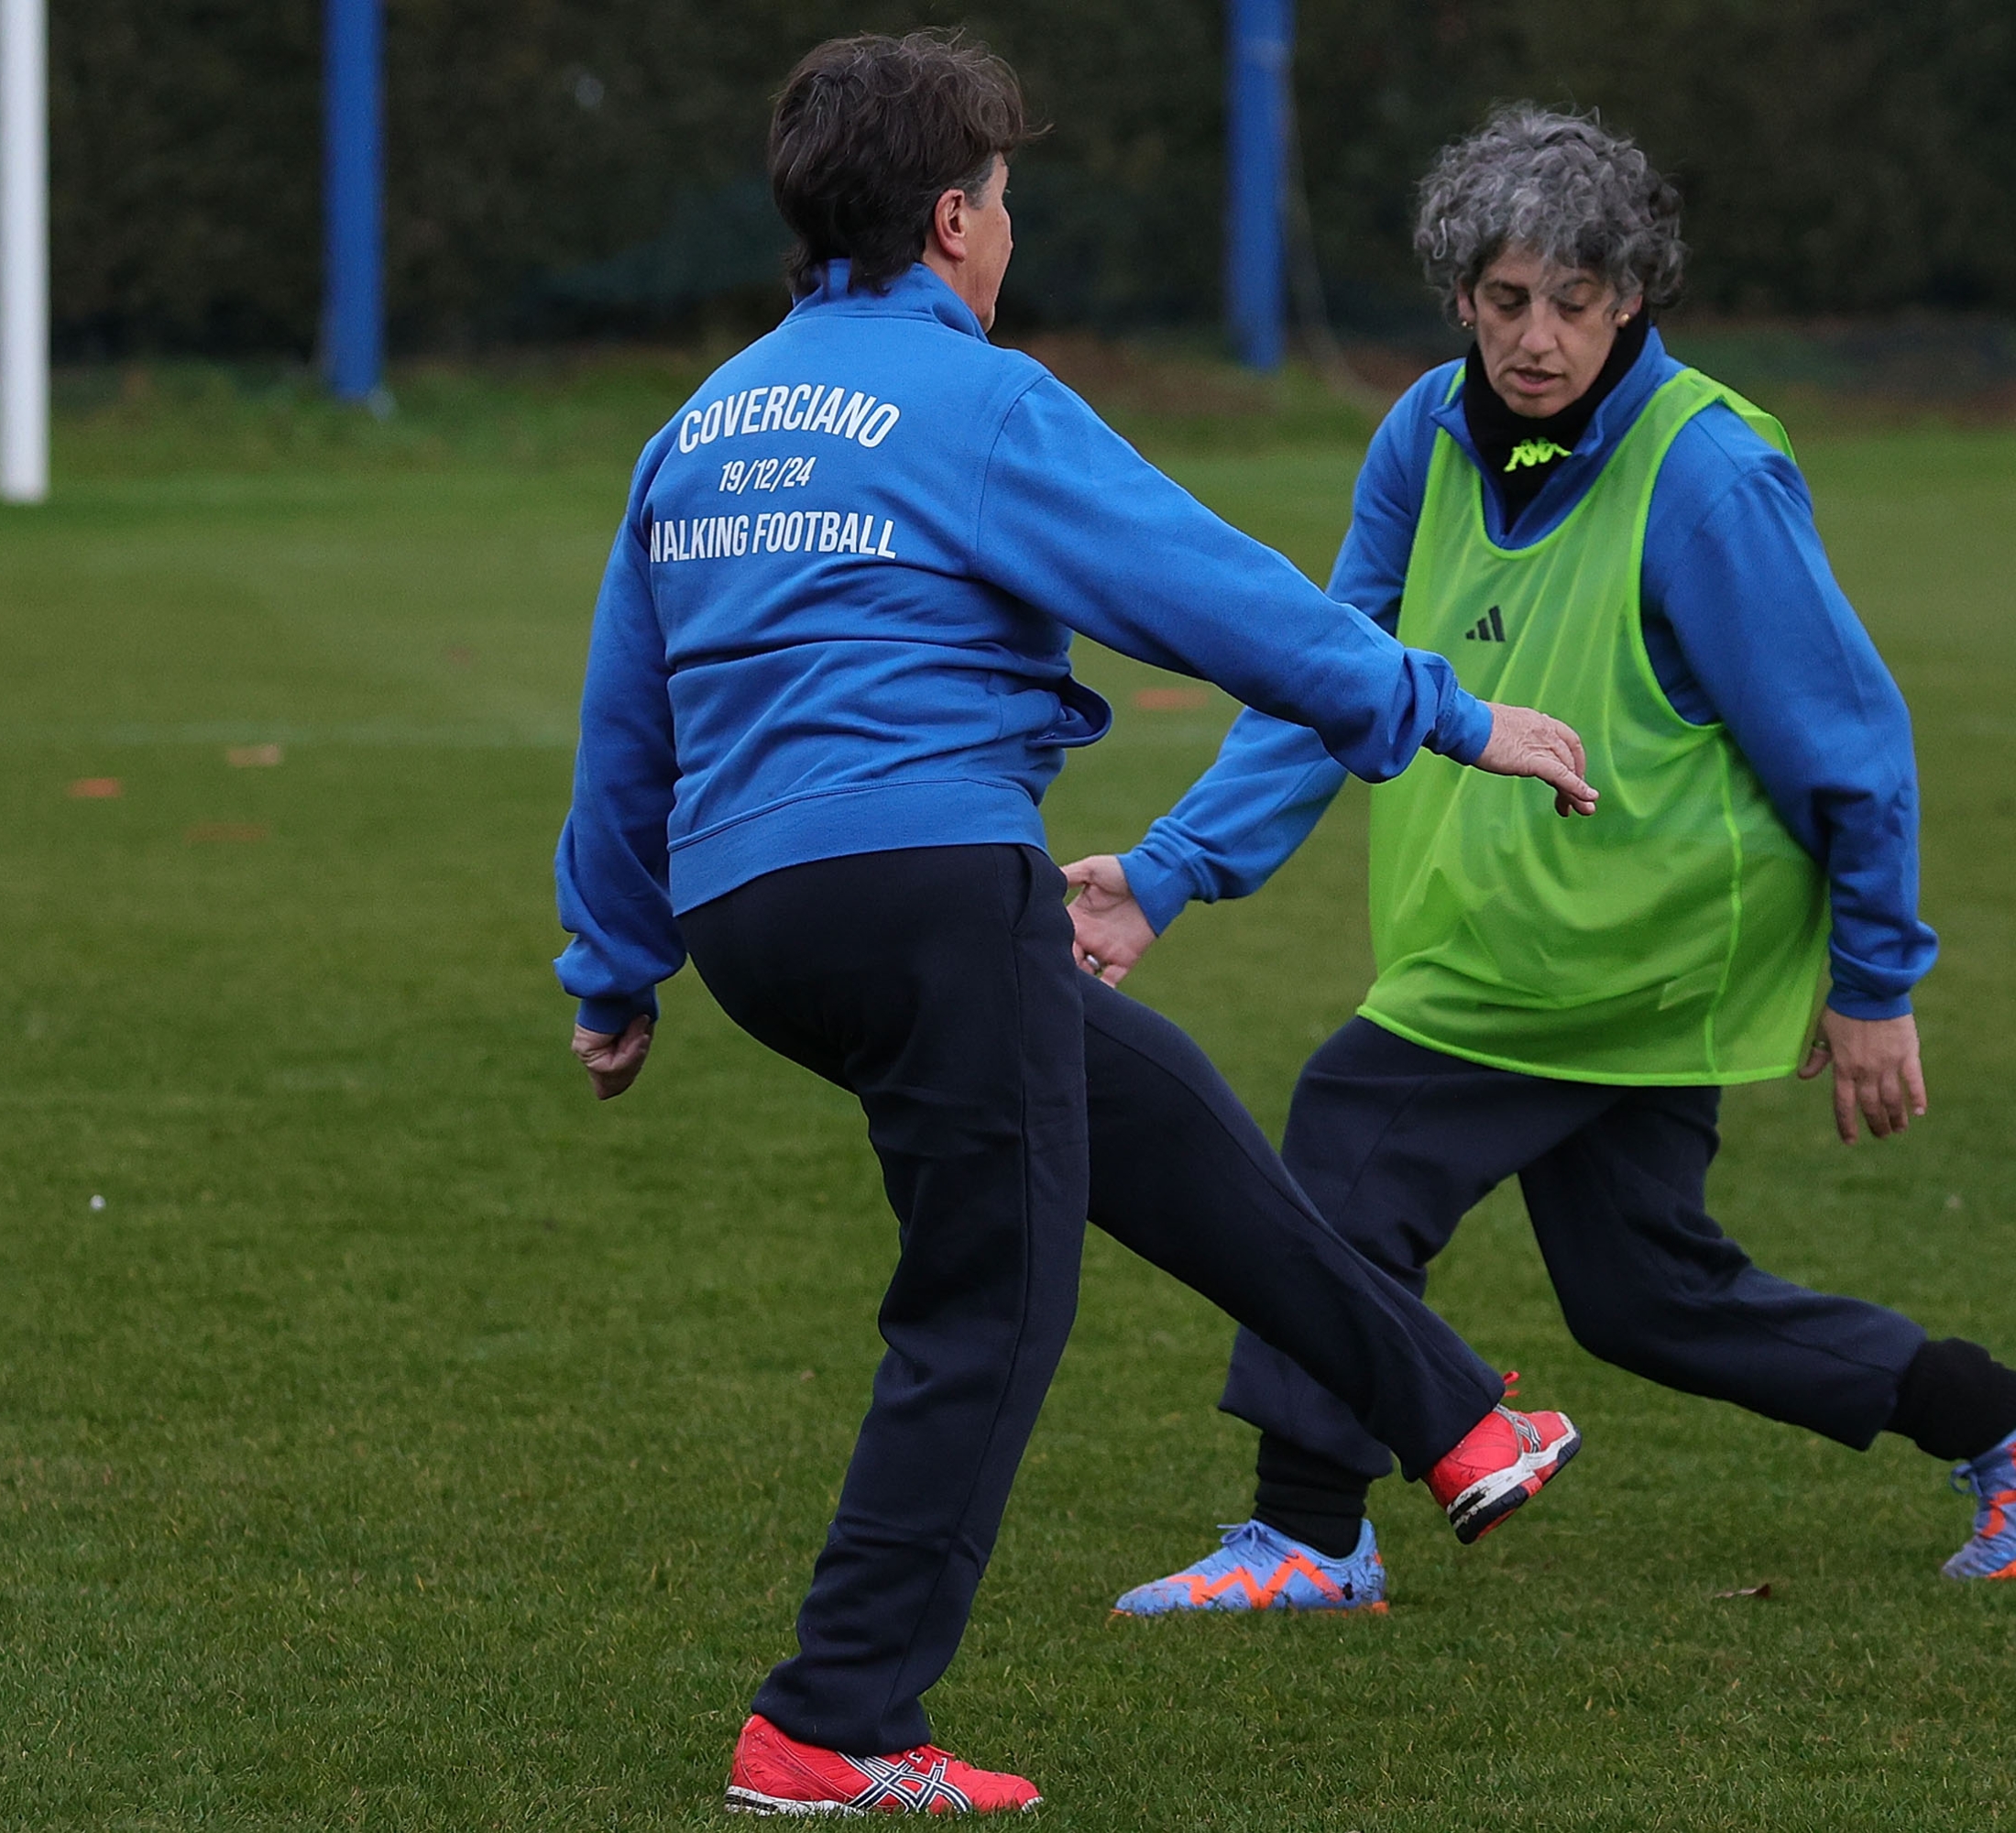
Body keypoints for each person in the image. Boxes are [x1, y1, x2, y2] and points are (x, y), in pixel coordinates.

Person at [554, 37, 1605, 1817]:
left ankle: (1449, 1415)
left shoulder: (704, 422)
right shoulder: (979, 402)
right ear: (953, 218)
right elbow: (1212, 596)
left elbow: (626, 718)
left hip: (759, 919)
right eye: (1007, 198)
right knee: (986, 1307)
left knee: (1143, 1106)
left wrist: (613, 962)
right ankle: (830, 1720)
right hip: (928, 884)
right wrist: (1448, 710)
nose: (1009, 230)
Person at [1068, 107, 2016, 1620]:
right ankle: (1998, 1418)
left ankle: (1307, 1530)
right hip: (1542, 938)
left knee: (1347, 1138)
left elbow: (1847, 742)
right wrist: (1170, 868)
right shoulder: (1421, 432)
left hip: (1627, 938)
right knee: (1645, 1298)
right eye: (1506, 300)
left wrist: (1873, 982)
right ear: (1459, 295)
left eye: (1574, 305)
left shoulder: (1706, 471)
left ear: (1632, 299)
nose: (1536, 338)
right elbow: (1332, 678)